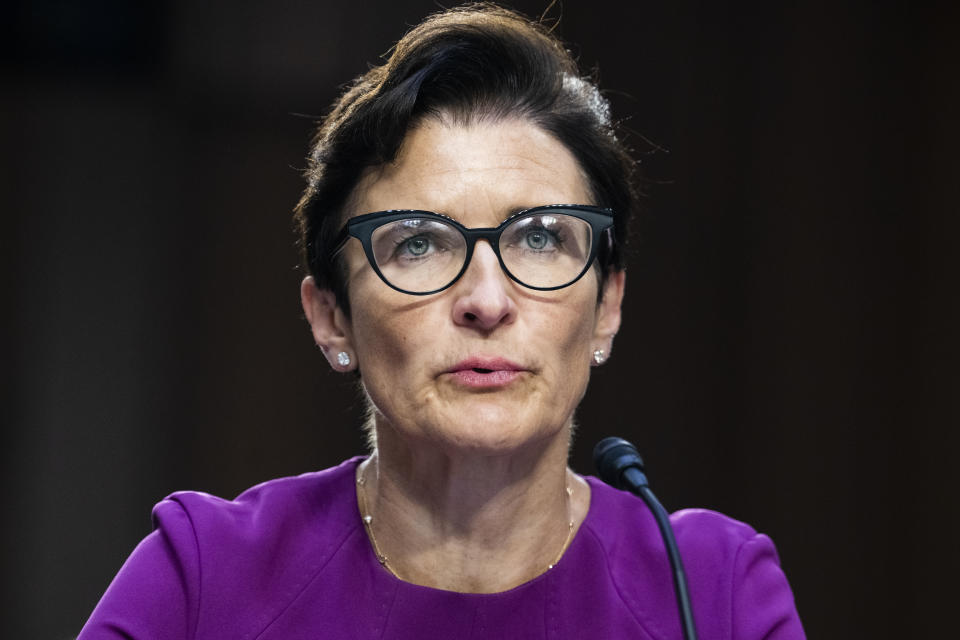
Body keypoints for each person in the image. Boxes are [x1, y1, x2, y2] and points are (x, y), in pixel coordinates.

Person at [79, 4, 805, 638]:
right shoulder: (208, 577)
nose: (486, 301)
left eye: (543, 237)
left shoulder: (712, 594)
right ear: (330, 318)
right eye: (420, 242)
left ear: (607, 307)